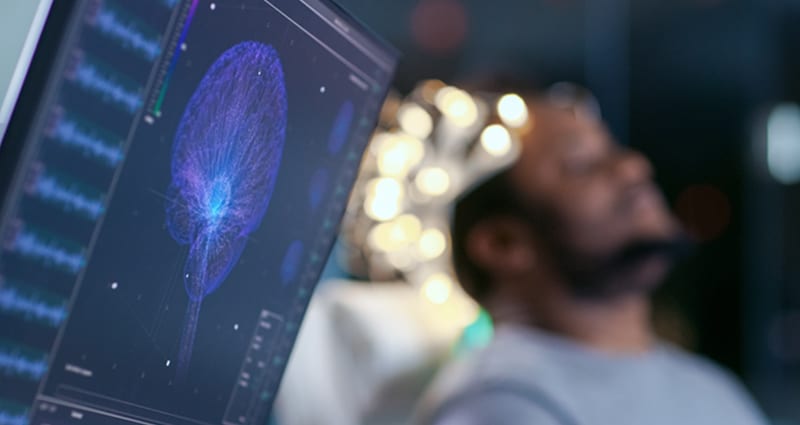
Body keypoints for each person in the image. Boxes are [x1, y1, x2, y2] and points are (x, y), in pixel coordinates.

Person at [415, 93, 768, 425]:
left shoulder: (709, 385)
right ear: (503, 244)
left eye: (614, 152)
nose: (634, 167)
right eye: (580, 164)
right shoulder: (499, 405)